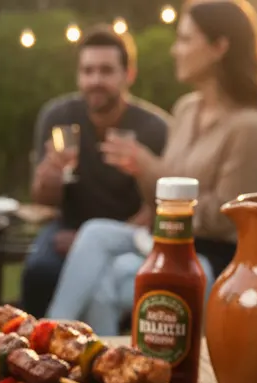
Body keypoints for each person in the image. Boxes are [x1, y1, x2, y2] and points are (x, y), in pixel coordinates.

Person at [46, 0, 257, 335]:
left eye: (186, 40)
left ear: (220, 47)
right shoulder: (186, 109)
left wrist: (150, 168)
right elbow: (156, 202)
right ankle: (47, 336)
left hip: (206, 255)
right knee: (93, 233)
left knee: (105, 283)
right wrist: (143, 172)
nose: (176, 50)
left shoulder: (250, 126)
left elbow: (226, 218)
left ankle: (76, 355)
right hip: (162, 239)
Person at [20, 25, 170, 314]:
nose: (95, 80)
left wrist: (92, 242)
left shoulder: (154, 127)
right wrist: (49, 177)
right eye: (87, 71)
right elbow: (43, 200)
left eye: (105, 71)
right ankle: (28, 348)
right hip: (66, 227)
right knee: (38, 272)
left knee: (105, 279)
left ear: (129, 74)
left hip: (130, 236)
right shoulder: (58, 117)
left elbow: (158, 207)